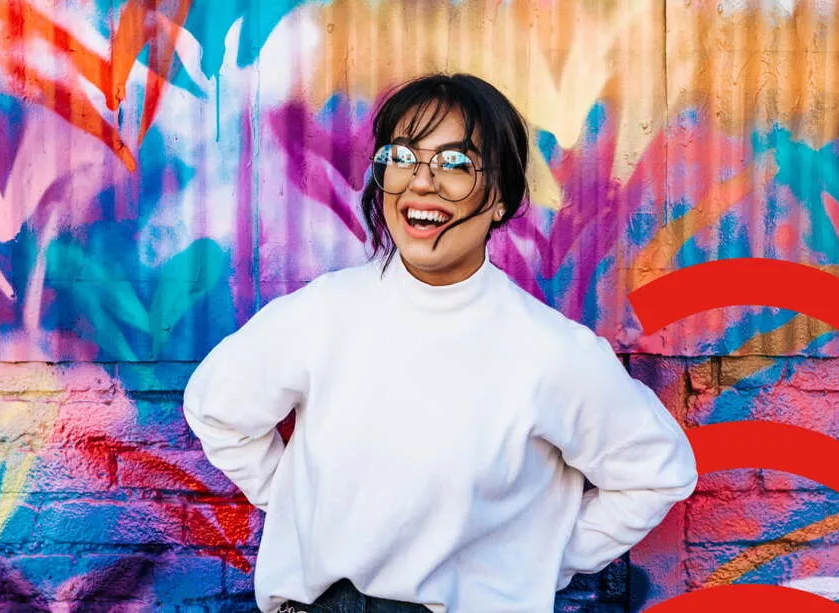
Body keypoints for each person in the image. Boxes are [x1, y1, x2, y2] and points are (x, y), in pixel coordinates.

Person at [182, 73, 698, 613]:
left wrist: (534, 557)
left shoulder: (549, 351)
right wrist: (298, 507)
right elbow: (218, 410)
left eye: (455, 164)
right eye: (401, 157)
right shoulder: (324, 313)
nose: (421, 183)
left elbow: (656, 474)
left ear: (500, 198)